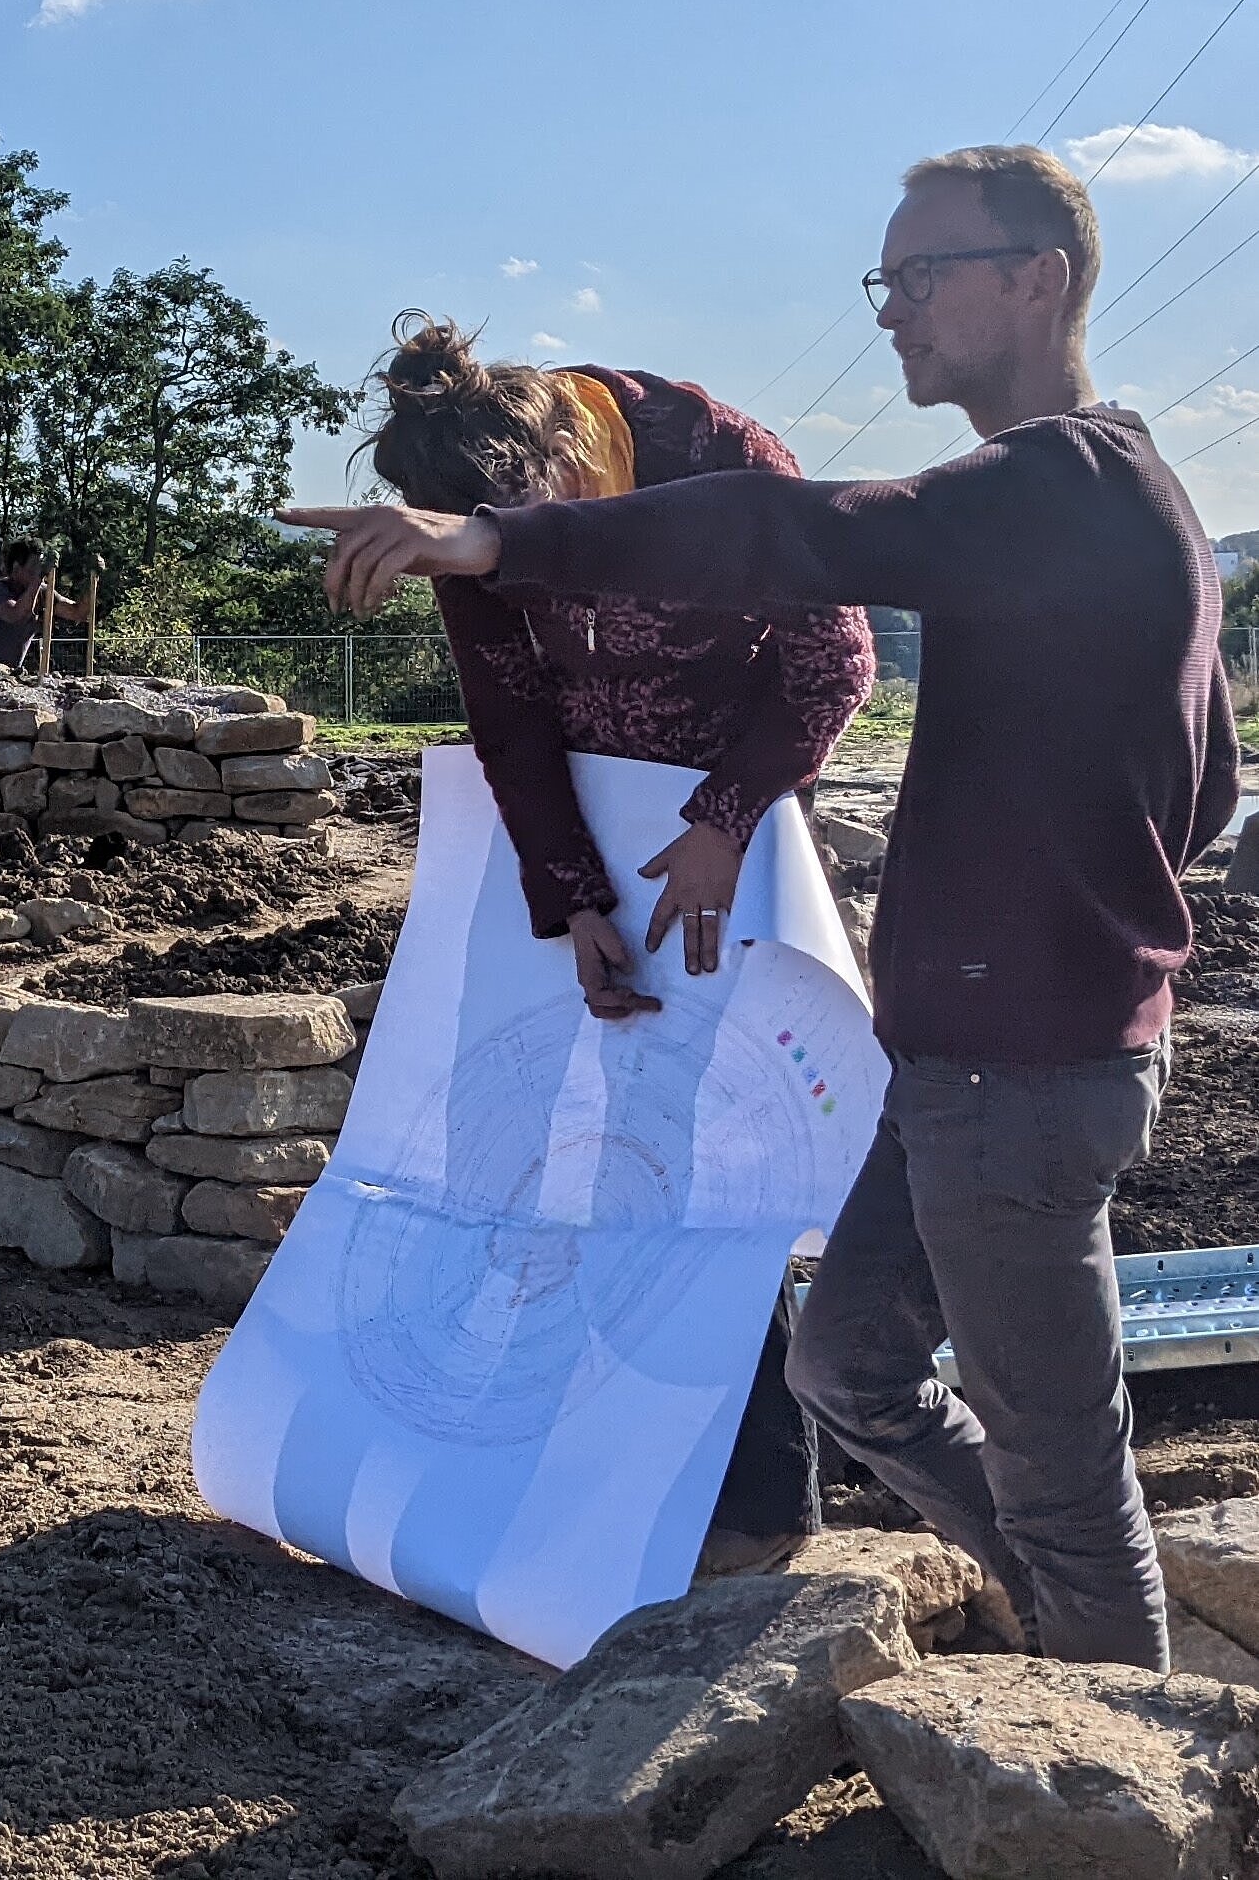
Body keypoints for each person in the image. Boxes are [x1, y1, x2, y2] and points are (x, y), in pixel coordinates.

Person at [287, 144, 1241, 1668]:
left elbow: (796, 538)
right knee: (851, 1371)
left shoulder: (1068, 480)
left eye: (921, 274)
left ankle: (1126, 1776)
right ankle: (1088, 1650)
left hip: (1029, 1063)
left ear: (1038, 276)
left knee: (1065, 1481)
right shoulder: (1088, 504)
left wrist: (501, 541)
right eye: (887, 278)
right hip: (958, 1058)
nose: (892, 311)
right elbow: (1211, 791)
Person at [358, 311, 876, 1572]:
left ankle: (761, 1513)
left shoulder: (712, 452)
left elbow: (833, 655)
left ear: (563, 468)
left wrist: (722, 819)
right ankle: (611, 1462)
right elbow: (511, 712)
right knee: (582, 1154)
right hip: (595, 840)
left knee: (726, 1160)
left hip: (740, 851)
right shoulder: (466, 519)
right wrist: (570, 895)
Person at [0, 539, 85, 674]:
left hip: (12, 673)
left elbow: (77, 613)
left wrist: (90, 584)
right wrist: (39, 577)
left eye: (40, 567)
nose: (37, 572)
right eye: (33, 569)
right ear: (16, 568)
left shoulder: (42, 593)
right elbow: (15, 614)